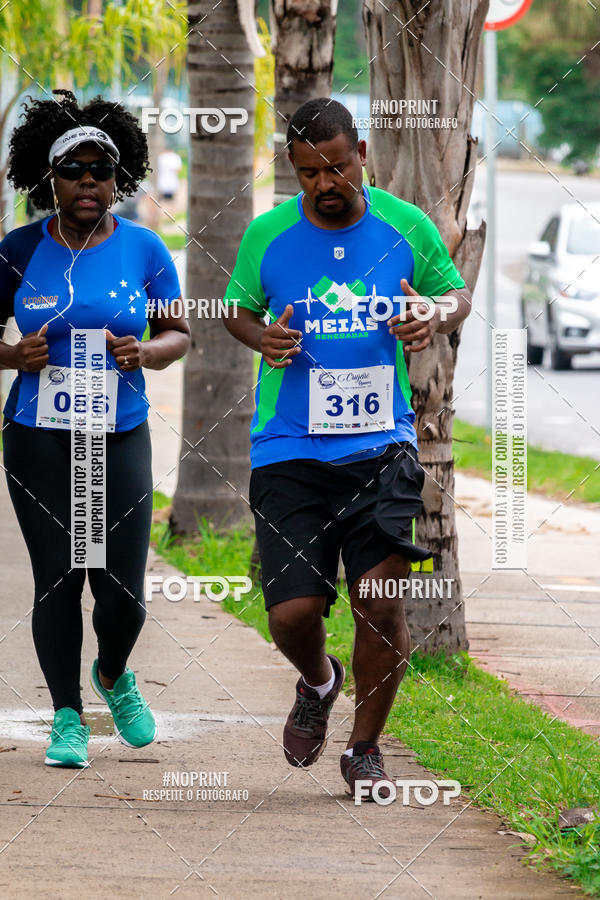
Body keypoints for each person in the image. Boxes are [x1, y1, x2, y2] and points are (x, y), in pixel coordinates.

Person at [223, 98, 472, 800]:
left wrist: (431, 313)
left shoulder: (405, 225)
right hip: (290, 449)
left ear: (360, 154)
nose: (324, 184)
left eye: (336, 168)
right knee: (292, 615)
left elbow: (455, 295)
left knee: (380, 601)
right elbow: (237, 308)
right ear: (293, 169)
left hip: (381, 446)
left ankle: (365, 749)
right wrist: (263, 336)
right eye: (308, 173)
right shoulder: (268, 234)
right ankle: (317, 681)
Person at [0, 90, 190, 768]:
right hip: (39, 434)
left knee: (122, 591)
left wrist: (148, 352)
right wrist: (13, 355)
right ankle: (67, 717)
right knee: (59, 576)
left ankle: (112, 673)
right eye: (73, 170)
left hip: (119, 431)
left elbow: (178, 331)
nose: (88, 182)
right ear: (47, 178)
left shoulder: (145, 247)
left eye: (101, 170)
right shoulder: (19, 248)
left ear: (120, 177)